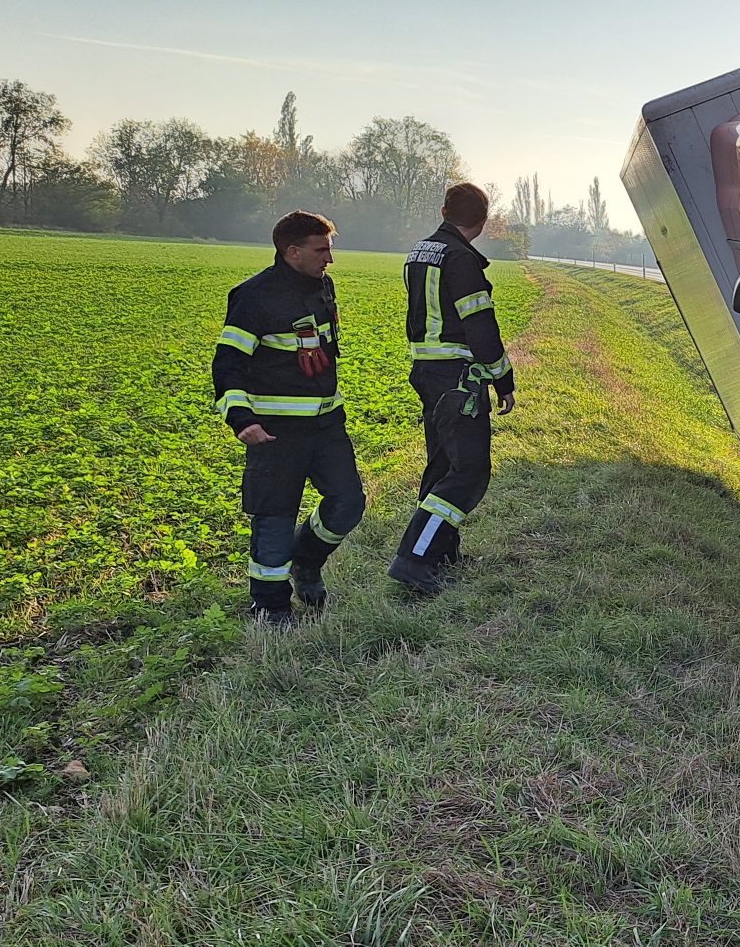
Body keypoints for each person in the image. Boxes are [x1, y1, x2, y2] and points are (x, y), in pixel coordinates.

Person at [211, 211, 366, 624]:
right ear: (292, 252)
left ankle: (307, 561)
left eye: (329, 249)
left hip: (328, 425)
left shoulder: (322, 286)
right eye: (321, 250)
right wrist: (241, 419)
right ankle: (271, 607)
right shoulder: (253, 297)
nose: (330, 259)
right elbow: (227, 363)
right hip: (276, 432)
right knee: (275, 520)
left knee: (348, 503)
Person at [388, 181, 515, 595]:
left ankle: (443, 553)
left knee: (442, 465)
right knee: (469, 472)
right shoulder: (461, 259)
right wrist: (503, 379)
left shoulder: (421, 252)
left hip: (427, 371)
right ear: (483, 221)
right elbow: (480, 326)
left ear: (444, 212)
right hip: (459, 377)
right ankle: (415, 559)